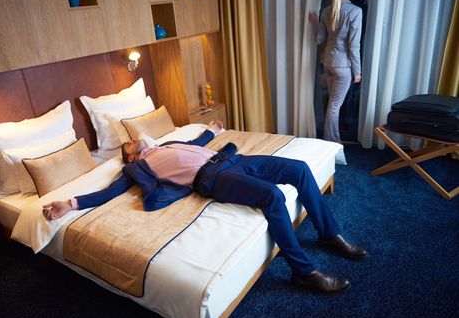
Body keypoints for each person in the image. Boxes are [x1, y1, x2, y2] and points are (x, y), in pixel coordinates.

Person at [43, 121, 366, 294]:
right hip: (212, 178)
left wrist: (212, 130)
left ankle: (328, 233)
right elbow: (108, 192)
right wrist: (70, 204)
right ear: (130, 155)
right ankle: (303, 272)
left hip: (229, 160)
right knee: (272, 197)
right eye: (128, 143)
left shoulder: (166, 144)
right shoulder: (135, 168)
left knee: (298, 169)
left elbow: (197, 145)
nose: (134, 140)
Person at [309, 0, 363, 143]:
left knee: (332, 105)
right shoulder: (355, 11)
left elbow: (319, 39)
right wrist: (357, 71)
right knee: (334, 107)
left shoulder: (327, 10)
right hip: (343, 65)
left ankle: (332, 140)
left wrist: (314, 23)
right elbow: (354, 45)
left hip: (328, 62)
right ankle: (332, 142)